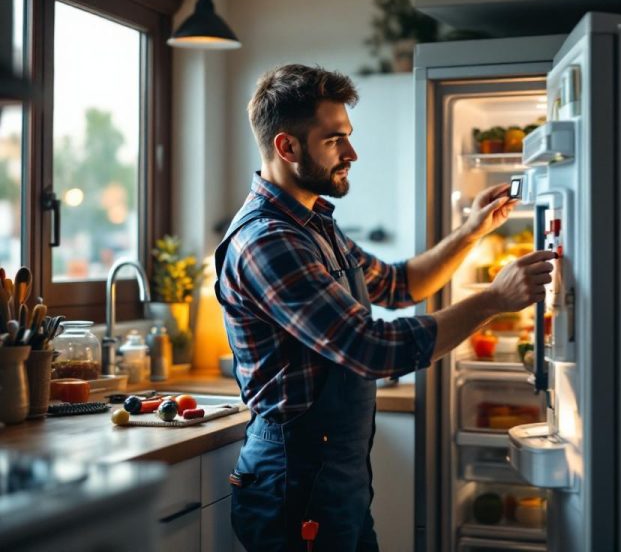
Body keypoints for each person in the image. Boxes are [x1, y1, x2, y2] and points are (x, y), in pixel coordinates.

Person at [215, 64, 556, 552]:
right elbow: (370, 348)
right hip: (295, 484)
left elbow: (398, 285)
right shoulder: (269, 241)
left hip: (335, 478)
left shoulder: (315, 226)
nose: (352, 153)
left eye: (347, 137)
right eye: (335, 140)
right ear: (287, 147)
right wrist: (493, 300)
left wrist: (473, 230)